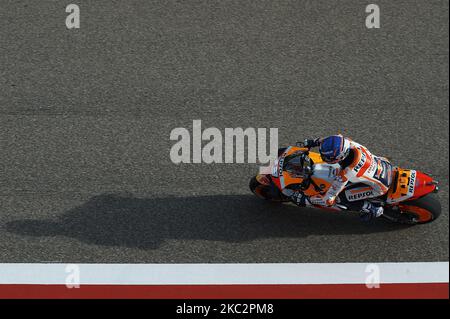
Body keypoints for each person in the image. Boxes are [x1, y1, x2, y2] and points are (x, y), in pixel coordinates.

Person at [285, 135, 392, 221]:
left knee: (341, 199)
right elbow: (329, 139)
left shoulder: (348, 171)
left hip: (380, 187)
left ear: (341, 156)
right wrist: (313, 142)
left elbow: (329, 198)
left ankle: (372, 208)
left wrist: (307, 200)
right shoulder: (347, 143)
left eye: (327, 157)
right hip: (384, 166)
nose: (323, 158)